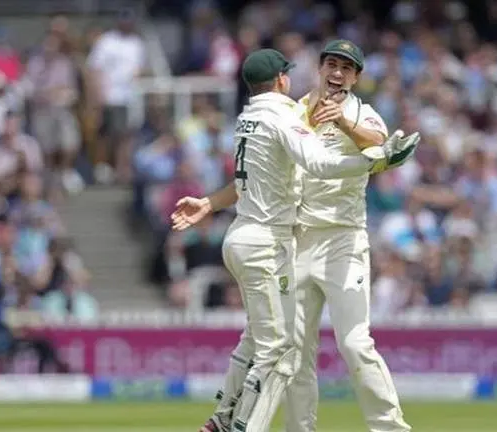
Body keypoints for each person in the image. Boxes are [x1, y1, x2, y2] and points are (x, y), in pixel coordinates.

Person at [170, 49, 419, 432]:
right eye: (331, 65)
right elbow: (256, 177)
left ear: (355, 78)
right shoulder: (292, 111)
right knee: (295, 352)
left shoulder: (362, 113)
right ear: (320, 70)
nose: (337, 73)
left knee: (355, 344)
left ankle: (391, 429)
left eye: (346, 68)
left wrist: (344, 123)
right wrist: (209, 202)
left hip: (344, 243)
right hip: (297, 241)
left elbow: (382, 147)